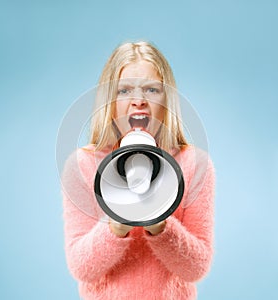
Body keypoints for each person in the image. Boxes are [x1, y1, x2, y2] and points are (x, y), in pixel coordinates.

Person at [61, 41, 215, 299]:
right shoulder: (82, 165)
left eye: (152, 89)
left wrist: (160, 225)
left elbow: (196, 269)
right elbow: (81, 268)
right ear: (109, 101)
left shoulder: (194, 165)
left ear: (167, 100)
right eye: (124, 90)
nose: (138, 101)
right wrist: (115, 224)